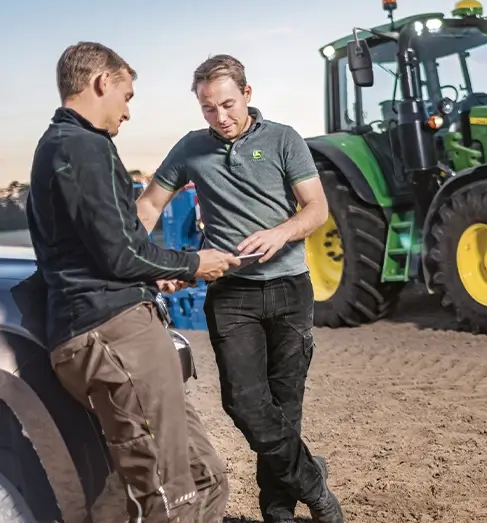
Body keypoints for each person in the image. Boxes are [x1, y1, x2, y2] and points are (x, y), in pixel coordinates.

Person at [26, 41, 241, 522]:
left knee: (204, 477)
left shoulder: (62, 148)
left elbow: (105, 251)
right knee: (168, 499)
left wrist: (155, 276)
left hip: (119, 321)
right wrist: (190, 264)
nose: (127, 113)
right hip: (112, 331)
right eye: (126, 96)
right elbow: (120, 251)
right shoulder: (82, 145)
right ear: (102, 82)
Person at [136, 54, 342, 523]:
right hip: (232, 295)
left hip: (291, 289)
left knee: (284, 410)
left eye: (227, 104)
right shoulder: (191, 148)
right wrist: (133, 255)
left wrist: (281, 232)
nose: (220, 117)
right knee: (245, 404)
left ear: (247, 95)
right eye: (209, 108)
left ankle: (279, 515)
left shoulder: (283, 139)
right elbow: (149, 205)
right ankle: (313, 482)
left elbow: (316, 209)